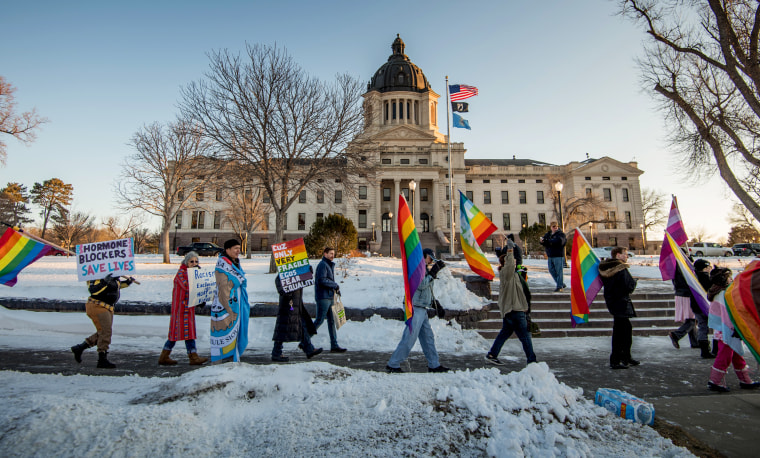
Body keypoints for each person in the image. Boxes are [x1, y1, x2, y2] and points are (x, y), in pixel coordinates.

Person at [386, 248, 449, 373]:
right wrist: (433, 273)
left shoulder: (425, 270)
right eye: (430, 258)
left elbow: (427, 290)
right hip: (414, 307)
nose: (431, 262)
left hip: (422, 307)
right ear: (424, 256)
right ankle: (393, 364)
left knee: (428, 338)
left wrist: (435, 304)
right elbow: (420, 285)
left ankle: (434, 364)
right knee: (409, 337)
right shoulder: (416, 268)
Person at [484, 239, 537, 366]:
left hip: (514, 309)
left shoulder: (513, 275)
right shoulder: (506, 273)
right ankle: (532, 361)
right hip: (514, 310)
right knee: (525, 337)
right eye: (511, 261)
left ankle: (492, 354)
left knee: (505, 333)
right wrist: (509, 250)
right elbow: (509, 265)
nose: (514, 262)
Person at [706, 268, 760, 392]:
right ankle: (715, 381)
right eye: (729, 277)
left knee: (736, 354)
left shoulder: (716, 292)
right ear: (724, 280)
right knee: (724, 356)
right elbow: (728, 315)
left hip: (722, 329)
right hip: (727, 330)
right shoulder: (724, 294)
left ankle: (745, 380)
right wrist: (735, 328)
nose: (731, 279)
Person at [70, 273, 135, 368]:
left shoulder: (112, 276)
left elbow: (115, 287)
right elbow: (93, 291)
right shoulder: (95, 275)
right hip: (97, 305)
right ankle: (102, 359)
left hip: (108, 307)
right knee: (105, 332)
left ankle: (80, 348)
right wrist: (105, 281)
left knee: (103, 332)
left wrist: (127, 283)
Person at [158, 252, 209, 366]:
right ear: (186, 262)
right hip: (180, 309)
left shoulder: (192, 274)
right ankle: (165, 355)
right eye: (192, 262)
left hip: (188, 308)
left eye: (196, 261)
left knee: (188, 333)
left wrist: (200, 299)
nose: (194, 264)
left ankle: (192, 356)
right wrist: (197, 278)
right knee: (176, 333)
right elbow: (188, 286)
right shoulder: (181, 273)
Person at [599, 246, 639, 370]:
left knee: (624, 329)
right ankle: (616, 359)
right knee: (621, 331)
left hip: (613, 302)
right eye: (624, 254)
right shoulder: (620, 268)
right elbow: (628, 286)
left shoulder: (607, 268)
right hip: (621, 302)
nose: (626, 256)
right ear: (617, 255)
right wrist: (634, 282)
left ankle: (625, 356)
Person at [210, 239, 250, 363]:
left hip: (237, 301)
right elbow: (227, 281)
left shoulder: (234, 262)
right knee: (225, 329)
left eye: (239, 248)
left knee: (236, 330)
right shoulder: (222, 263)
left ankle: (233, 355)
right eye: (236, 248)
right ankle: (224, 359)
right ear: (227, 250)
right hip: (225, 304)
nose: (239, 251)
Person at [272, 271, 323, 362]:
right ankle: (276, 352)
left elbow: (304, 280)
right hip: (289, 304)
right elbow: (279, 284)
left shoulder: (297, 271)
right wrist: (286, 292)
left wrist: (307, 271)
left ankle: (308, 348)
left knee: (302, 324)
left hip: (296, 303)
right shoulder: (285, 271)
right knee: (283, 327)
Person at [314, 247, 346, 353]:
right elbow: (322, 280)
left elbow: (327, 280)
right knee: (319, 320)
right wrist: (335, 285)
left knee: (332, 321)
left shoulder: (328, 265)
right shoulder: (323, 265)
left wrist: (335, 289)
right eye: (330, 253)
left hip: (329, 296)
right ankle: (305, 340)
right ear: (325, 254)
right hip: (323, 297)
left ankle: (334, 345)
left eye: (333, 253)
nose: (333, 255)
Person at [668, 260, 700, 351]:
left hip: (682, 294)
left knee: (691, 318)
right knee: (692, 319)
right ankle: (677, 334)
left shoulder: (676, 266)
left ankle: (695, 342)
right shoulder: (682, 267)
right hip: (687, 294)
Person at [539, 221, 567, 292]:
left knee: (559, 271)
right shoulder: (548, 234)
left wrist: (548, 241)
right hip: (550, 255)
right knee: (551, 270)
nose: (555, 228)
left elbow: (559, 242)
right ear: (551, 227)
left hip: (558, 255)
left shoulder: (560, 234)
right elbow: (545, 241)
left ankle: (559, 286)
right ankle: (560, 283)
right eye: (553, 226)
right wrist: (542, 241)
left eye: (556, 226)